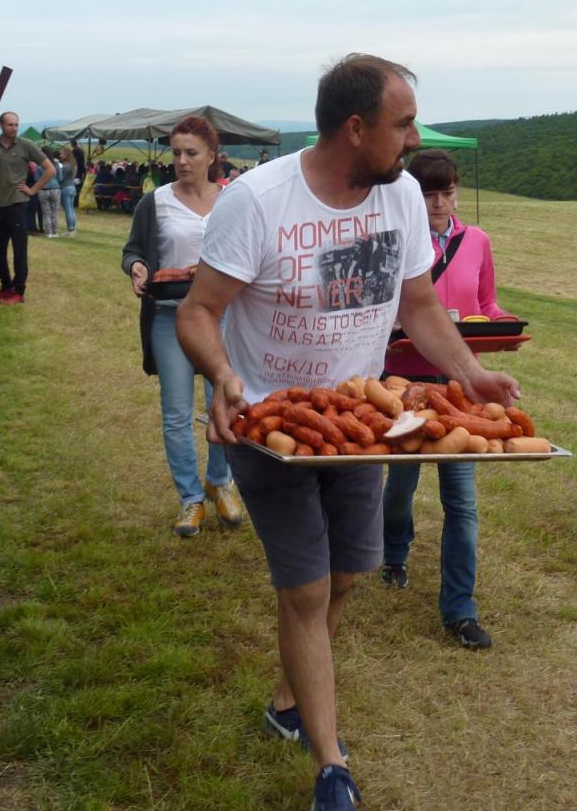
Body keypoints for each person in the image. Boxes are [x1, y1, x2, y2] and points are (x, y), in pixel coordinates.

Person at [176, 54, 520, 811]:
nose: (416, 138)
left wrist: (469, 374)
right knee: (304, 591)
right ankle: (331, 765)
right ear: (357, 128)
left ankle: (288, 698)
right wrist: (222, 375)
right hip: (271, 426)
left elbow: (419, 305)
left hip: (364, 427)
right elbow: (198, 310)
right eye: (404, 124)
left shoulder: (400, 196)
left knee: (344, 578)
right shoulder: (258, 201)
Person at [380, 149, 506, 651]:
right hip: (405, 381)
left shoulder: (477, 241)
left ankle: (460, 609)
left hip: (459, 385)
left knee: (462, 499)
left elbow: (486, 303)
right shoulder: (397, 241)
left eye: (446, 192)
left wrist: (503, 325)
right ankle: (394, 554)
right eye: (428, 194)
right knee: (400, 484)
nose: (438, 203)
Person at [121, 116, 244, 538]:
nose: (182, 161)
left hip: (222, 317)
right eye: (176, 153)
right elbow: (133, 251)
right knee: (176, 413)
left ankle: (220, 481)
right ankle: (191, 498)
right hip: (169, 315)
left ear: (212, 156)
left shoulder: (233, 199)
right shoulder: (154, 202)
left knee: (225, 401)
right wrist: (137, 268)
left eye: (191, 153)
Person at [0, 111, 55, 305]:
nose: (14, 128)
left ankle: (18, 291)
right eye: (10, 124)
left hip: (18, 204)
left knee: (19, 250)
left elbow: (50, 169)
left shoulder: (26, 145)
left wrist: (32, 190)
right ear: (1, 126)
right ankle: (6, 286)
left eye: (16, 124)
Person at [38, 150, 62, 238]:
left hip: (43, 189)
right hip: (55, 188)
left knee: (46, 212)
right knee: (55, 212)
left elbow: (36, 178)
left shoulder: (40, 165)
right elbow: (60, 178)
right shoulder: (56, 164)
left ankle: (48, 232)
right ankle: (55, 232)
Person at [58, 145, 78, 235]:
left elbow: (61, 178)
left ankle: (70, 229)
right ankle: (73, 228)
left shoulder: (65, 166)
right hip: (72, 187)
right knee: (71, 209)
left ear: (66, 155)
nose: (60, 155)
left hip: (65, 188)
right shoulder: (73, 165)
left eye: (62, 154)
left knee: (68, 210)